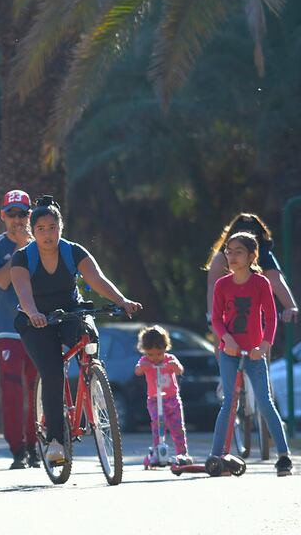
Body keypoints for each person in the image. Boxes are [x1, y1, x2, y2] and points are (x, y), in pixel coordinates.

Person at [10, 196, 141, 466]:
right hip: (37, 321)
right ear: (32, 232)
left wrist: (121, 301)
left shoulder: (73, 251)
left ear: (61, 227)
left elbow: (97, 279)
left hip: (71, 312)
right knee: (53, 372)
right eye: (41, 229)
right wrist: (34, 313)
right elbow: (23, 292)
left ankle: (92, 379)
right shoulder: (23, 258)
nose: (48, 234)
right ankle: (56, 441)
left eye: (52, 227)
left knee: (88, 336)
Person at [210, 232, 292, 476]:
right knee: (229, 404)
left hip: (255, 353)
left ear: (251, 256)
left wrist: (265, 346)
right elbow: (216, 318)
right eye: (229, 251)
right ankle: (216, 456)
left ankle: (284, 456)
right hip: (230, 352)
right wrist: (227, 339)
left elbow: (270, 316)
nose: (232, 256)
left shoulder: (261, 283)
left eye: (238, 252)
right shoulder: (221, 285)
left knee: (265, 402)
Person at [0, 189, 41, 469]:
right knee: (12, 388)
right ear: (2, 215)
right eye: (12, 214)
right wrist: (19, 247)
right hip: (8, 328)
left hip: (39, 326)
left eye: (23, 214)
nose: (17, 220)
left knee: (37, 387)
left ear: (30, 215)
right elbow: (3, 281)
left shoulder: (44, 243)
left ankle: (35, 443)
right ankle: (17, 448)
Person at [205, 213, 299, 332]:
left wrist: (290, 306)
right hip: (225, 321)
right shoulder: (222, 257)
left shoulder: (264, 256)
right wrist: (212, 318)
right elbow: (212, 286)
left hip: (255, 321)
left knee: (259, 346)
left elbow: (276, 282)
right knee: (225, 349)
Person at [135, 325, 191, 465]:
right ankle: (157, 450)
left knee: (178, 427)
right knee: (158, 425)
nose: (155, 358)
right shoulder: (145, 361)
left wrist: (175, 367)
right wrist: (142, 367)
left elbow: (179, 370)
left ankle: (182, 453)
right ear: (145, 352)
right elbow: (137, 371)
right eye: (150, 354)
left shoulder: (169, 359)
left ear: (165, 349)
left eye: (158, 354)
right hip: (154, 400)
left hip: (172, 399)